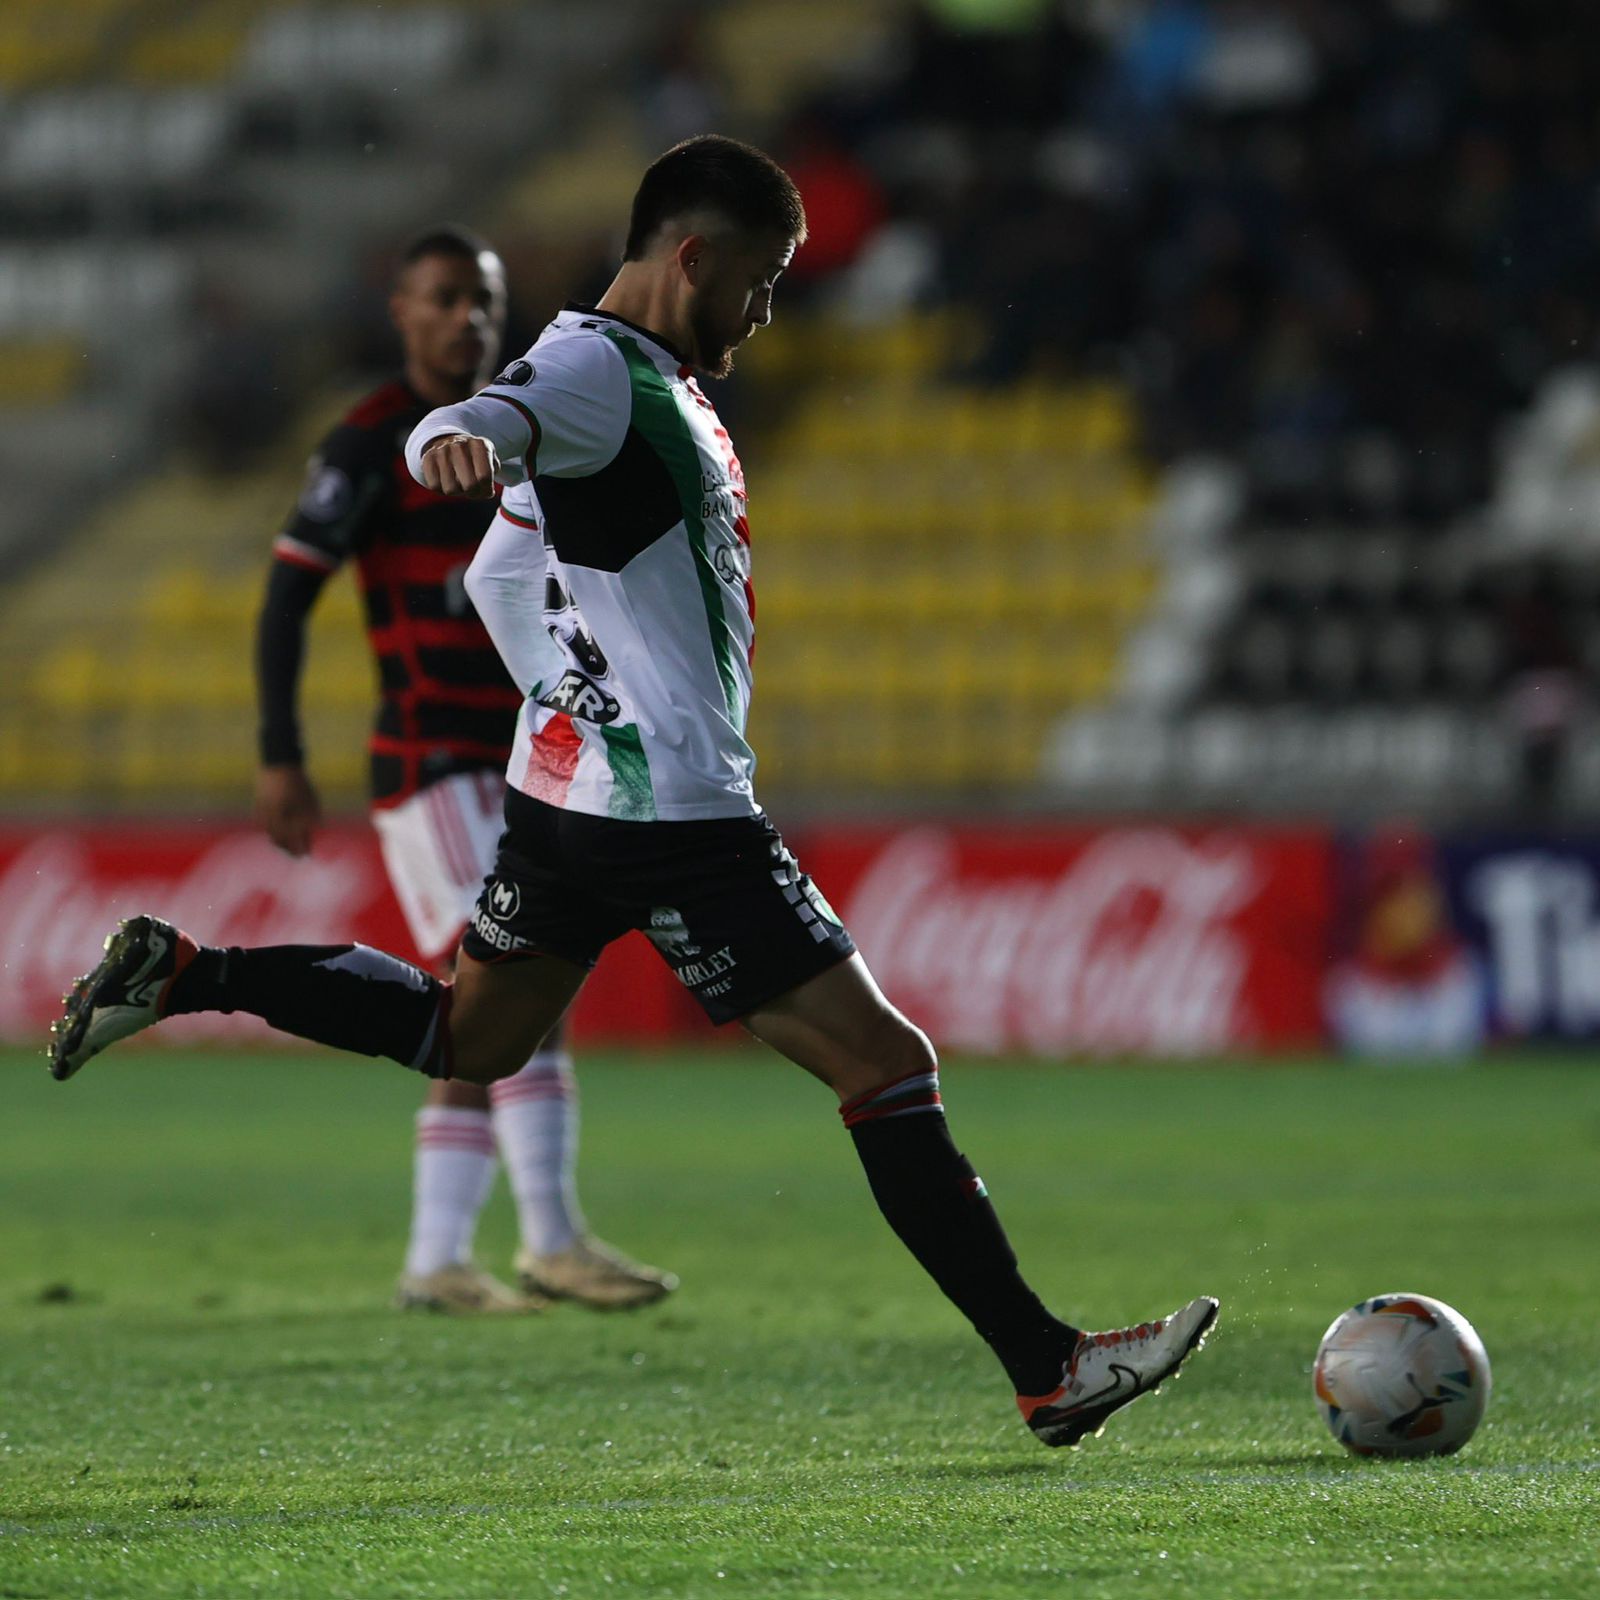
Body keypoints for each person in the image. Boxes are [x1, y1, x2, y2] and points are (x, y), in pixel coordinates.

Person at [49, 136, 1216, 1447]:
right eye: (764, 281)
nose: (769, 309)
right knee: (885, 1067)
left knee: (471, 1037)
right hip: (675, 816)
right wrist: (453, 433)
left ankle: (189, 974)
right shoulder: (597, 368)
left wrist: (570, 697)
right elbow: (498, 413)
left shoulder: (641, 379)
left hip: (570, 798)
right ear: (693, 259)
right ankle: (1049, 1368)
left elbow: (501, 575)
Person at [255, 224, 674, 1314]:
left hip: (528, 756)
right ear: (401, 311)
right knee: (492, 990)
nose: (464, 317)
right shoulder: (368, 443)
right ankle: (538, 1240)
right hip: (429, 760)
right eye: (442, 298)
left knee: (512, 996)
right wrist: (279, 753)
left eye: (480, 300)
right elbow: (288, 594)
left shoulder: (526, 428)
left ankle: (446, 1257)